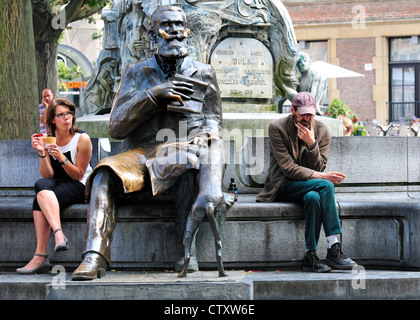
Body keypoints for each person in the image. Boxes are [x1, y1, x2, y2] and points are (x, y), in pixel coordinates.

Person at [72, 5, 225, 280]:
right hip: (140, 154)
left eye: (180, 25)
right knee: (103, 174)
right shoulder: (136, 72)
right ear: (153, 33)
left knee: (188, 163)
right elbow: (116, 127)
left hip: (181, 148)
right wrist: (152, 96)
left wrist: (207, 134)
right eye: (167, 26)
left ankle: (184, 251)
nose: (175, 32)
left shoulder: (204, 72)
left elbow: (214, 120)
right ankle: (94, 256)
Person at [256, 92, 357, 273]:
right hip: (282, 185)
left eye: (311, 114)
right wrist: (323, 177)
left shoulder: (322, 131)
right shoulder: (277, 128)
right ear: (293, 110)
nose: (307, 118)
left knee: (313, 197)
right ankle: (334, 247)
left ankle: (310, 255)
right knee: (326, 185)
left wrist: (312, 145)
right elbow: (287, 168)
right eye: (303, 114)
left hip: (308, 187)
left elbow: (319, 166)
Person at [17, 98, 93, 274]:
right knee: (40, 185)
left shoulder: (82, 139)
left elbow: (78, 174)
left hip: (80, 185)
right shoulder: (50, 139)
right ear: (53, 119)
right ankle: (58, 234)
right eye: (61, 115)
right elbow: (48, 175)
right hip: (59, 183)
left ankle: (40, 256)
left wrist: (62, 157)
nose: (67, 118)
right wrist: (42, 153)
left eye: (69, 113)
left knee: (39, 201)